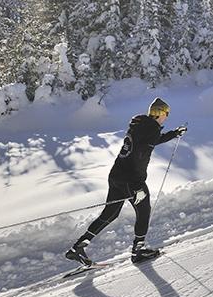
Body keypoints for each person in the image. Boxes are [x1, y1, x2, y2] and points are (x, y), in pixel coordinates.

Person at [65, 97, 187, 266]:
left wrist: (174, 134)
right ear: (160, 113)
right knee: (144, 211)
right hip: (131, 179)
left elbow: (150, 142)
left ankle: (78, 247)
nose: (167, 116)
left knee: (110, 214)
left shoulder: (141, 127)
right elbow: (139, 157)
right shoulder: (151, 130)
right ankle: (138, 251)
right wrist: (137, 186)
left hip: (116, 175)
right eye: (166, 113)